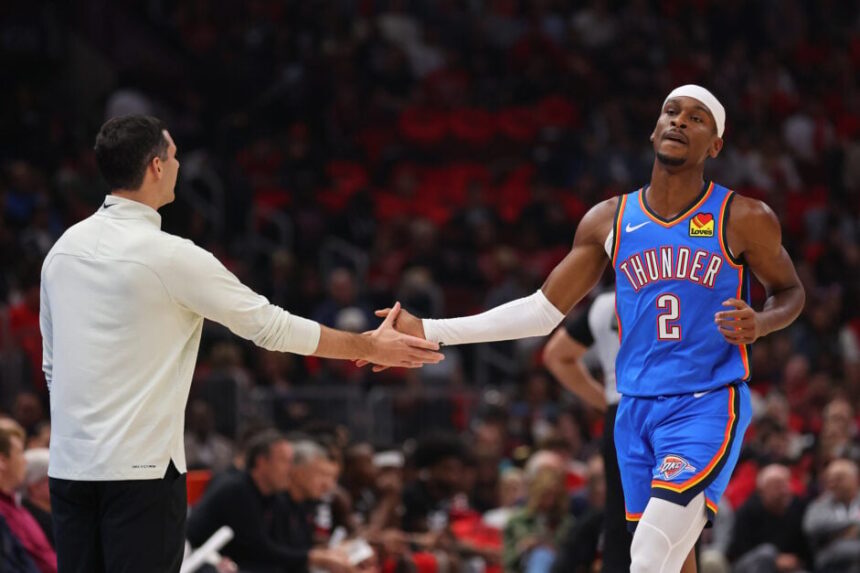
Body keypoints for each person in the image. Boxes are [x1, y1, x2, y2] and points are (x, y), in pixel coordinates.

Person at [366, 85, 805, 573]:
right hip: (633, 410)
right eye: (671, 112)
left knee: (649, 555)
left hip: (704, 402)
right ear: (654, 128)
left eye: (697, 118)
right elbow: (542, 311)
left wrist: (761, 323)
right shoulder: (608, 219)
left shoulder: (743, 216)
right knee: (677, 558)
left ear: (715, 145)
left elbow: (790, 292)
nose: (679, 122)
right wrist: (429, 328)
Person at [40, 115, 444, 573]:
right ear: (155, 166)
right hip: (140, 474)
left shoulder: (61, 251)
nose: (177, 165)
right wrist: (368, 347)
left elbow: (53, 368)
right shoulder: (172, 256)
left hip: (70, 468)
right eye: (173, 157)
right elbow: (271, 327)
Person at [543, 290, 631, 572]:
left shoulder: (605, 304)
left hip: (620, 413)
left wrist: (605, 400)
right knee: (681, 518)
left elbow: (556, 355)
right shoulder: (680, 286)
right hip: (670, 410)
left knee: (619, 520)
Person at [187, 431, 355, 573]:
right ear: (262, 462)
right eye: (285, 461)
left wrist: (321, 554)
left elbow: (282, 546)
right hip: (194, 561)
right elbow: (259, 550)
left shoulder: (272, 496)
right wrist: (314, 557)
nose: (290, 469)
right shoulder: (237, 490)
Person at [727, 464, 810, 572]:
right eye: (777, 487)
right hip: (750, 564)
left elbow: (805, 550)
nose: (783, 491)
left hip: (789, 567)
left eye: (786, 485)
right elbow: (739, 551)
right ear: (761, 491)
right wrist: (775, 560)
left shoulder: (799, 508)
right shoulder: (747, 511)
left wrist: (795, 560)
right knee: (767, 552)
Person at [0, 423, 56, 573]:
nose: (25, 461)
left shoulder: (16, 508)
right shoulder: (4, 511)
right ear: (2, 460)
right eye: (19, 453)